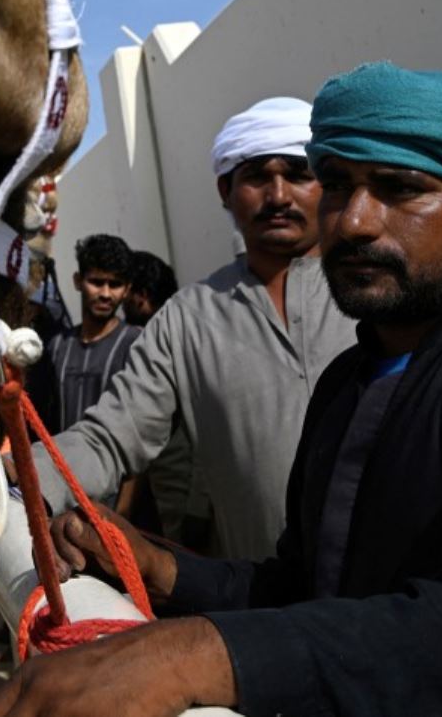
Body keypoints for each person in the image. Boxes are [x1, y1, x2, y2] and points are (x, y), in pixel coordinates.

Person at [0, 63, 442, 717]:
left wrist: (199, 654)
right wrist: (161, 569)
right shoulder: (349, 381)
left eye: (401, 188)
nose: (354, 219)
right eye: (340, 182)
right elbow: (309, 590)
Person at [29, 97, 357, 559]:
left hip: (402, 601)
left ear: (325, 184)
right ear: (226, 190)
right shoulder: (186, 319)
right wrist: (21, 480)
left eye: (299, 174)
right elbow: (111, 437)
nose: (279, 195)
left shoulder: (376, 289)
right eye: (257, 176)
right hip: (260, 606)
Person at [28, 234, 143, 437]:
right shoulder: (57, 346)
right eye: (97, 282)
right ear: (78, 281)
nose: (105, 294)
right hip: (61, 465)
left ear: (127, 290)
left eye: (115, 284)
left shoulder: (137, 344)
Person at [122, 250, 177, 326]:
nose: (122, 297)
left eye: (125, 290)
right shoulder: (184, 325)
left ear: (142, 295)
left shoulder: (131, 335)